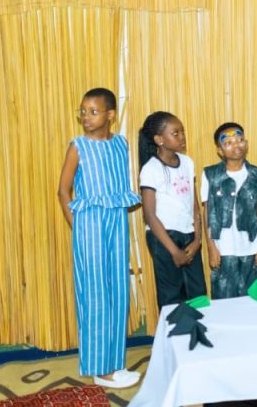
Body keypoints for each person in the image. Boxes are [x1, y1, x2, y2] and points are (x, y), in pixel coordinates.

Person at [56, 88, 141, 389]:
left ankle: (114, 363)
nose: (86, 117)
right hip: (89, 225)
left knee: (117, 289)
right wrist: (77, 225)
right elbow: (63, 191)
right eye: (82, 111)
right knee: (94, 295)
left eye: (93, 111)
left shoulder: (120, 144)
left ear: (111, 115)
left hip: (116, 222)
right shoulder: (77, 147)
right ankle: (99, 370)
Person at [138, 111, 206, 308]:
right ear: (159, 140)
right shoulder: (151, 169)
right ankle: (172, 329)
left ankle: (199, 327)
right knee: (171, 296)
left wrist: (197, 240)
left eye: (182, 131)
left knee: (198, 293)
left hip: (189, 235)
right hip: (163, 238)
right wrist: (174, 251)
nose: (182, 137)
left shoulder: (187, 162)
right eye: (175, 133)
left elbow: (194, 206)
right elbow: (150, 215)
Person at [200, 122, 257, 300]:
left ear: (246, 143)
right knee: (224, 298)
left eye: (239, 140)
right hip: (223, 248)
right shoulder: (210, 175)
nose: (236, 145)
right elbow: (207, 212)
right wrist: (211, 247)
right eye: (228, 143)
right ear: (220, 150)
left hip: (252, 247)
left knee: (254, 299)